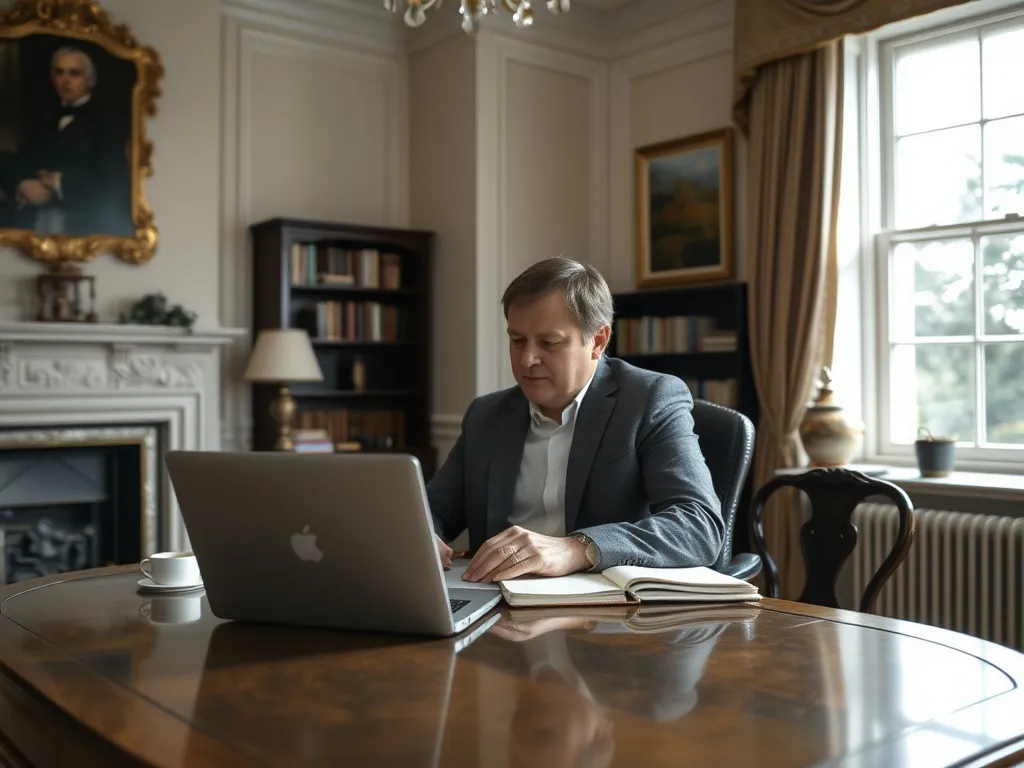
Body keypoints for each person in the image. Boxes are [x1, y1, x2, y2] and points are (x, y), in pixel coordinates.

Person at [427, 257, 724, 583]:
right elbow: (434, 511)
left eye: (549, 343)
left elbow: (698, 526)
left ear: (597, 341)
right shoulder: (486, 415)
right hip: (495, 604)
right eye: (517, 340)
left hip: (608, 617)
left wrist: (577, 548)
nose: (527, 359)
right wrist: (423, 534)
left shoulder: (648, 399)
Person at [0, 46, 132, 236]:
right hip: (32, 222)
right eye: (59, 72)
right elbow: (18, 161)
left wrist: (58, 182)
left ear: (89, 79)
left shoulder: (107, 123)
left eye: (74, 73)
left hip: (83, 224)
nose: (65, 80)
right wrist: (21, 185)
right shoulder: (45, 119)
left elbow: (112, 182)